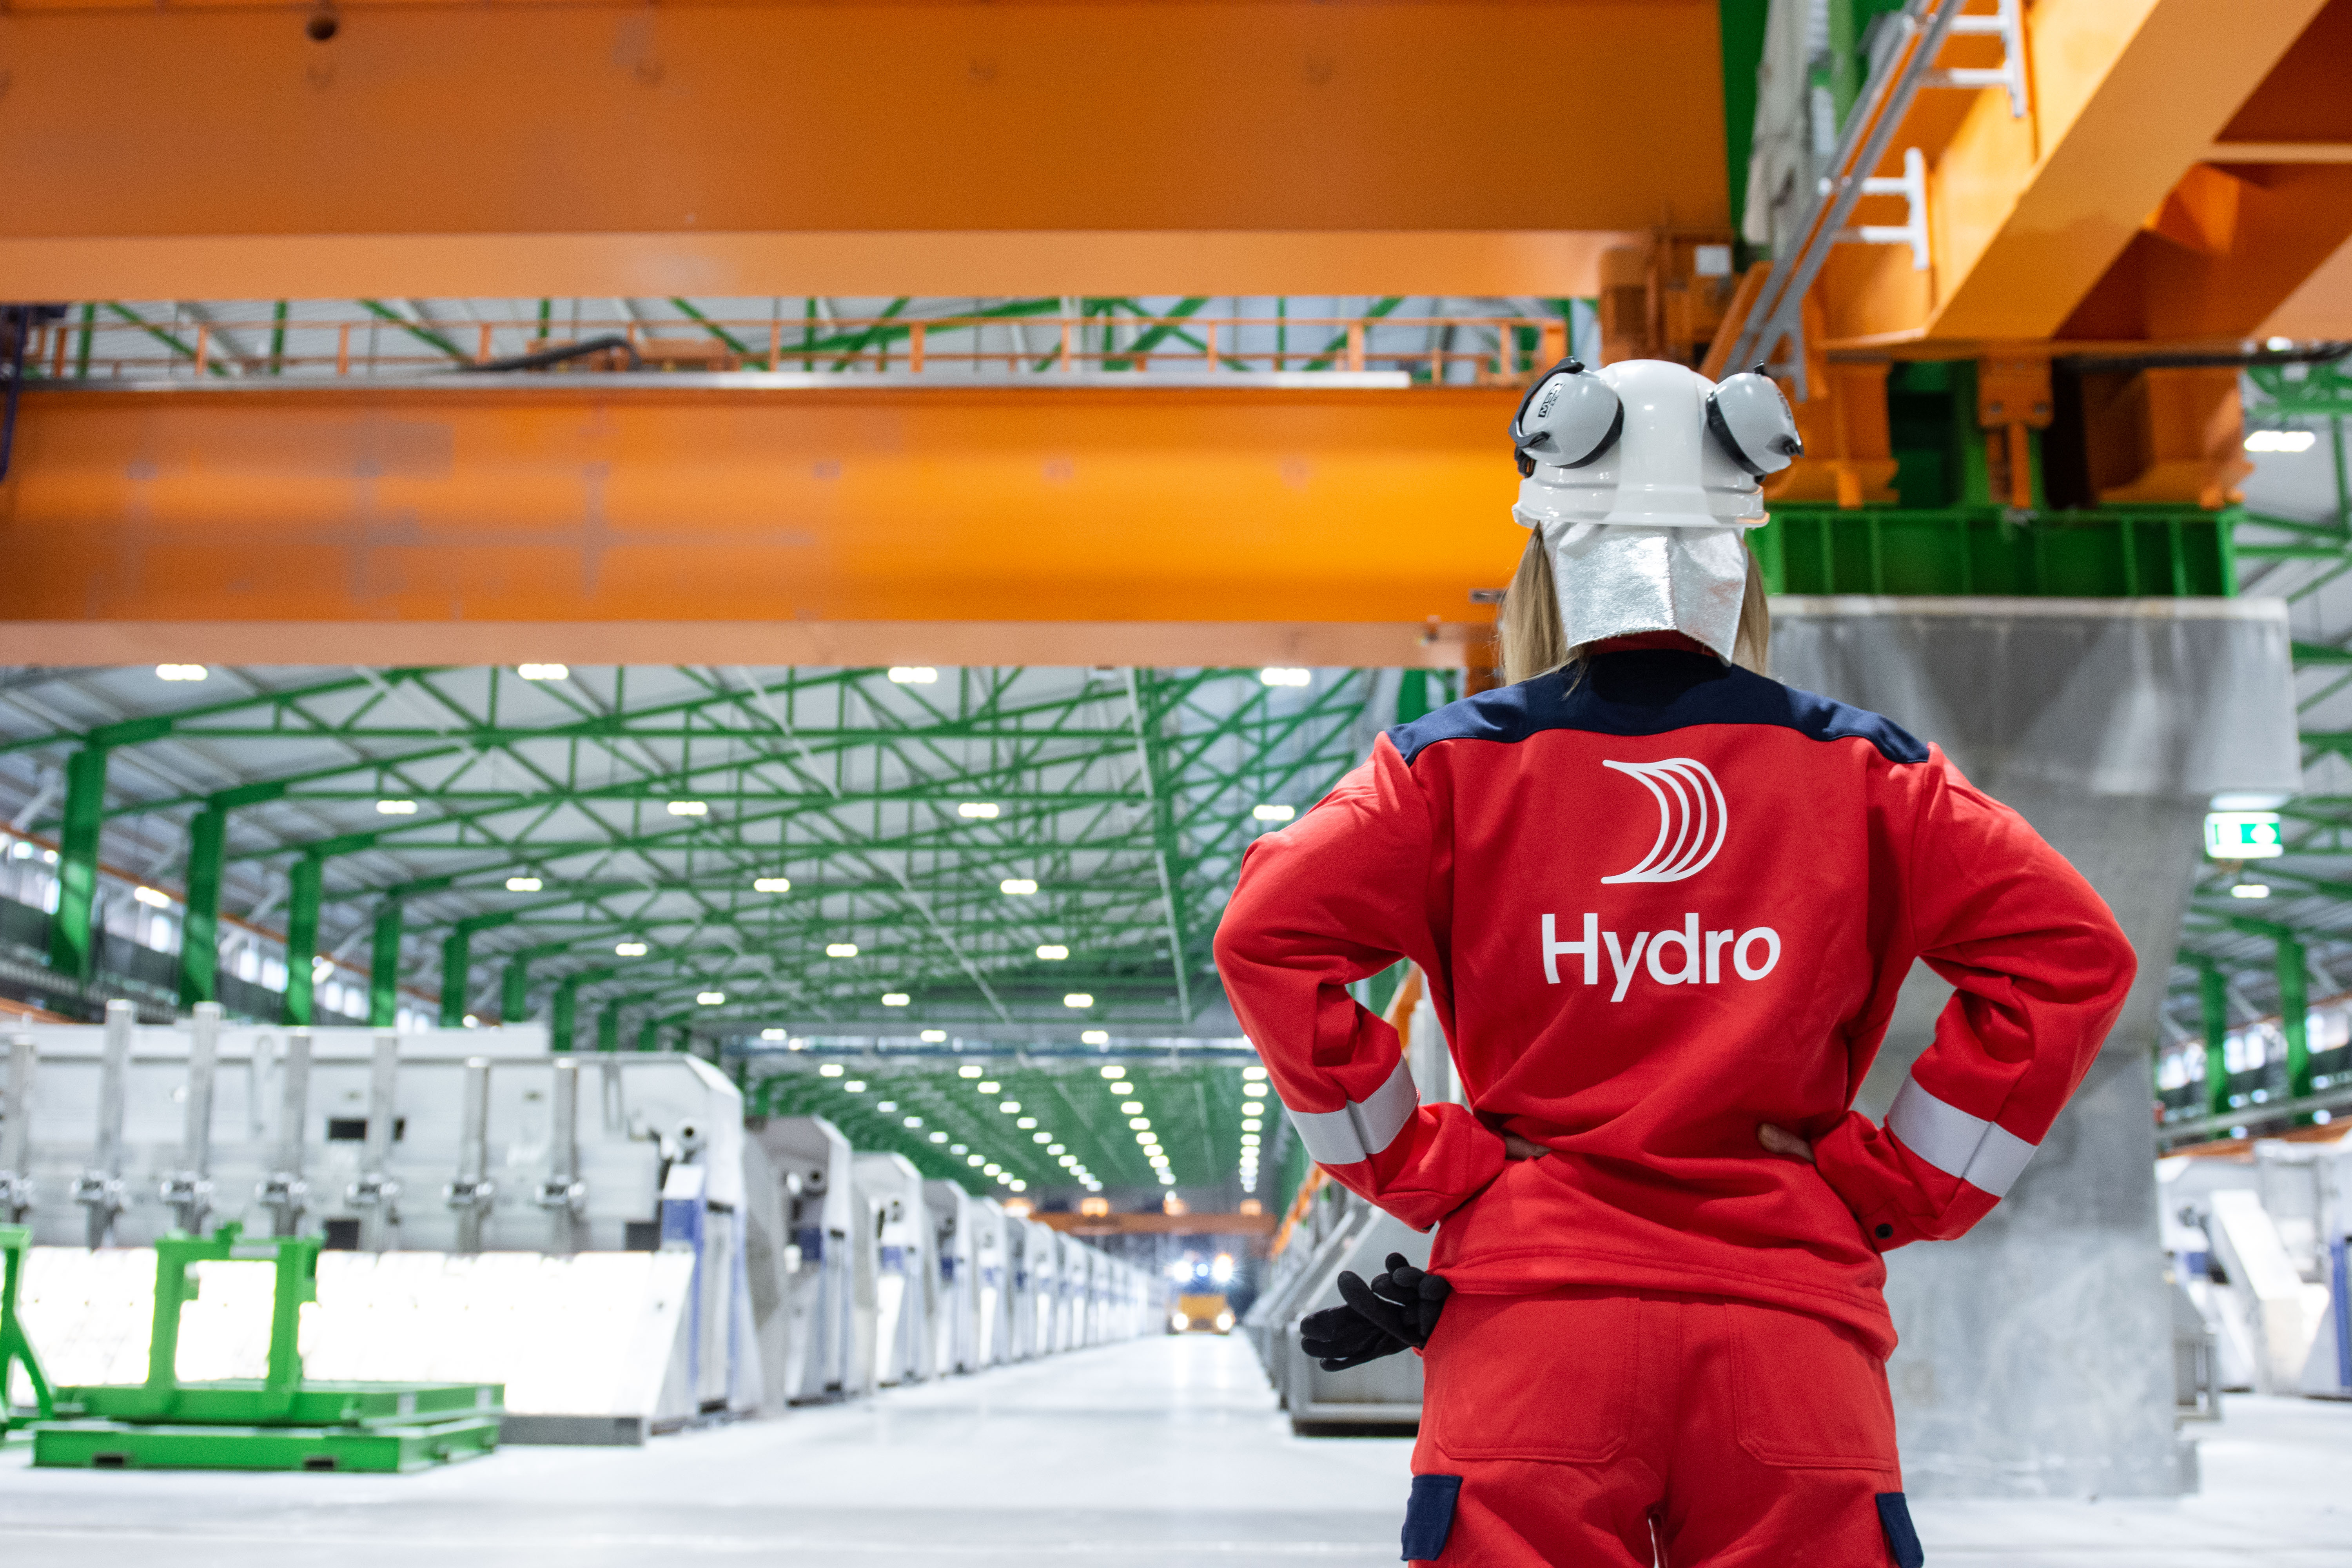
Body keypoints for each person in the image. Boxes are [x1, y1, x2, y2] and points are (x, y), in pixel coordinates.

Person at [1212, 359, 2136, 1567]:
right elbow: (2069, 957)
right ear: (1741, 554)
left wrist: (1418, 1163)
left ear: (1543, 550)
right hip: (1789, 1326)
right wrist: (1892, 1183)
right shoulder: (1871, 776)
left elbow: (1268, 936)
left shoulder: (1438, 775)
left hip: (1535, 1330)